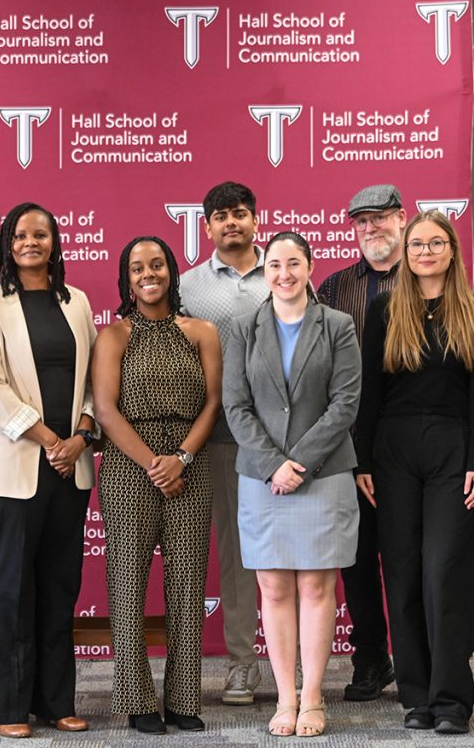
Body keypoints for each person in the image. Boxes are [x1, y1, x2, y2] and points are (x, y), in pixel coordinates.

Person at [354, 210, 474, 735]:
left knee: (446, 572)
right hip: (393, 450)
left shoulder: (473, 310)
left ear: (452, 250)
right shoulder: (387, 308)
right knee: (405, 572)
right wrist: (362, 460)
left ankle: (452, 699)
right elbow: (370, 391)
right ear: (406, 253)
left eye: (436, 243)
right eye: (417, 244)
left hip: (452, 449)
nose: (426, 252)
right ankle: (417, 696)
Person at [0, 203, 97, 739]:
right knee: (10, 588)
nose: (30, 242)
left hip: (71, 465)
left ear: (55, 241)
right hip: (15, 463)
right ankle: (8, 704)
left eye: (40, 234)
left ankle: (55, 700)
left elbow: (94, 376)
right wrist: (49, 439)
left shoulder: (77, 302)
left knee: (61, 585)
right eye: (20, 234)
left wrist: (81, 434)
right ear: (6, 242)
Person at [225, 232, 362, 737]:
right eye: (274, 265)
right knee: (275, 589)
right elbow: (235, 406)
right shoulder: (243, 328)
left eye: (293, 264)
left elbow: (345, 404)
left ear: (309, 267)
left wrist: (297, 462)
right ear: (265, 272)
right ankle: (285, 699)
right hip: (263, 479)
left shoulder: (339, 326)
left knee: (318, 587)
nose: (284, 273)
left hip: (322, 474)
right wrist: (271, 464)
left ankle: (313, 697)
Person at [93, 236, 222, 734]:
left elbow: (213, 402)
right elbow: (105, 410)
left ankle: (184, 698)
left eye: (157, 264)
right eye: (137, 267)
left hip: (191, 462)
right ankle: (138, 699)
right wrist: (154, 464)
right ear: (126, 279)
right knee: (127, 584)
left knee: (188, 584)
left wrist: (181, 458)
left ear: (171, 270)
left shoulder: (202, 332)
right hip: (131, 466)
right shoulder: (114, 336)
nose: (148, 274)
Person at [180, 181, 269, 705]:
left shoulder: (282, 272)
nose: (230, 222)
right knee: (214, 557)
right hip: (210, 439)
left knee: (266, 559)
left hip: (275, 443)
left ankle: (267, 664)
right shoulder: (188, 287)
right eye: (219, 216)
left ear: (254, 219)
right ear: (207, 227)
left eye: (239, 213)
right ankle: (220, 668)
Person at [317, 183, 406, 702]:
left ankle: (416, 655)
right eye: (360, 222)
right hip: (349, 449)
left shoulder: (423, 278)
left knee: (406, 558)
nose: (370, 229)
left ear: (401, 218)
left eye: (379, 219)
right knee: (355, 560)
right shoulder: (333, 289)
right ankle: (371, 658)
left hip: (409, 443)